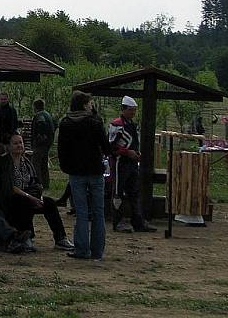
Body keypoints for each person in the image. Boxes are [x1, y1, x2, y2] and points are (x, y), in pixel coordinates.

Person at [0, 133, 74, 251]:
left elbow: (36, 182)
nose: (19, 145)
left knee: (49, 202)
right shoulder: (2, 163)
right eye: (15, 143)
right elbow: (8, 187)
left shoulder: (27, 162)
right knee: (23, 201)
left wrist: (37, 197)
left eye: (21, 142)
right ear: (8, 146)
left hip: (29, 196)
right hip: (11, 199)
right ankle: (26, 237)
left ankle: (60, 238)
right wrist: (29, 197)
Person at [57, 91, 109, 260]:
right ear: (85, 105)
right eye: (90, 103)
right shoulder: (95, 123)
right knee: (98, 212)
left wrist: (66, 167)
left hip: (76, 172)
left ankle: (81, 249)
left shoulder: (65, 123)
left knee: (81, 211)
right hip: (95, 170)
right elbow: (106, 147)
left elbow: (62, 149)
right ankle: (97, 250)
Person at [109, 96, 157, 233]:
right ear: (124, 109)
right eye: (131, 110)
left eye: (134, 110)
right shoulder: (117, 124)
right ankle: (117, 222)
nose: (133, 113)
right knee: (118, 192)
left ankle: (138, 222)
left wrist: (136, 153)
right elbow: (111, 147)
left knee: (134, 192)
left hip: (131, 162)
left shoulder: (132, 125)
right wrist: (127, 152)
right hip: (120, 163)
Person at [30, 99, 55, 189]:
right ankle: (45, 183)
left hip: (40, 144)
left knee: (36, 164)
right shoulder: (48, 115)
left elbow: (41, 126)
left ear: (35, 107)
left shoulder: (40, 116)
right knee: (44, 165)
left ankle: (38, 184)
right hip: (47, 144)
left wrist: (38, 139)